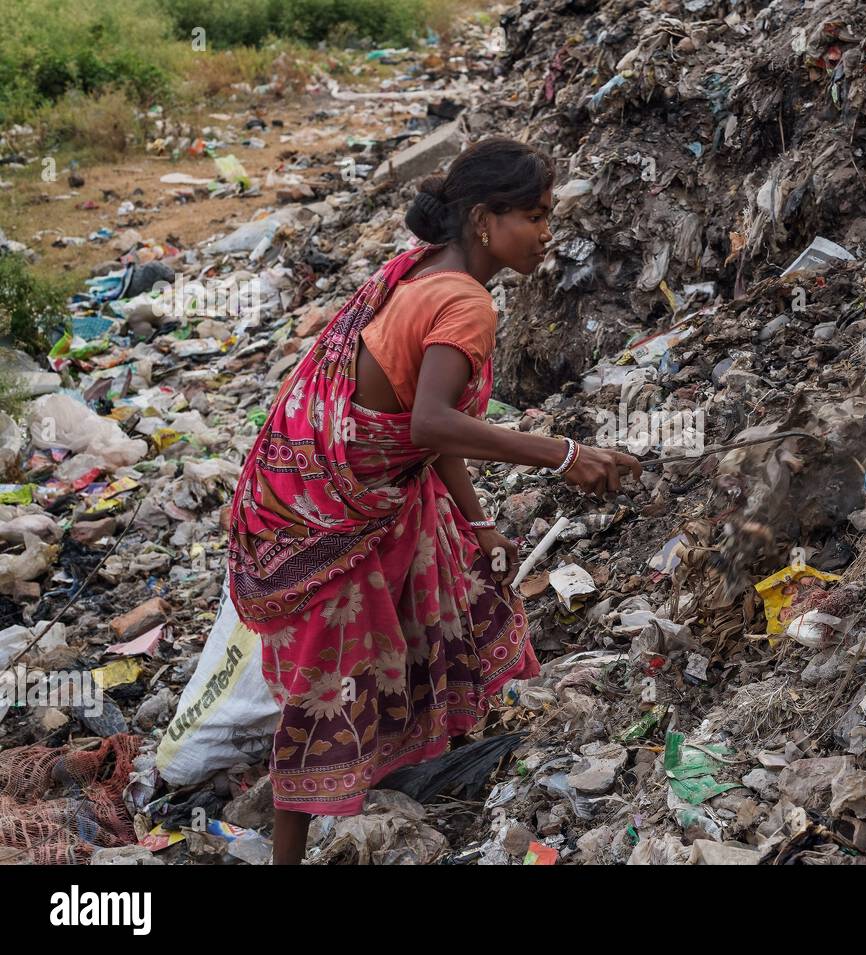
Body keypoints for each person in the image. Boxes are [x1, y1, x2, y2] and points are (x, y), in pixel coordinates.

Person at [226, 137, 641, 863]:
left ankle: (425, 778)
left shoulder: (422, 271)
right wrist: (565, 454)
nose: (547, 234)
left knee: (454, 592)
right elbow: (430, 422)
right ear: (484, 219)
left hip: (338, 494)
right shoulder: (466, 302)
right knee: (321, 697)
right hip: (333, 516)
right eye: (535, 216)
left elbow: (420, 423)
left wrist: (478, 520)